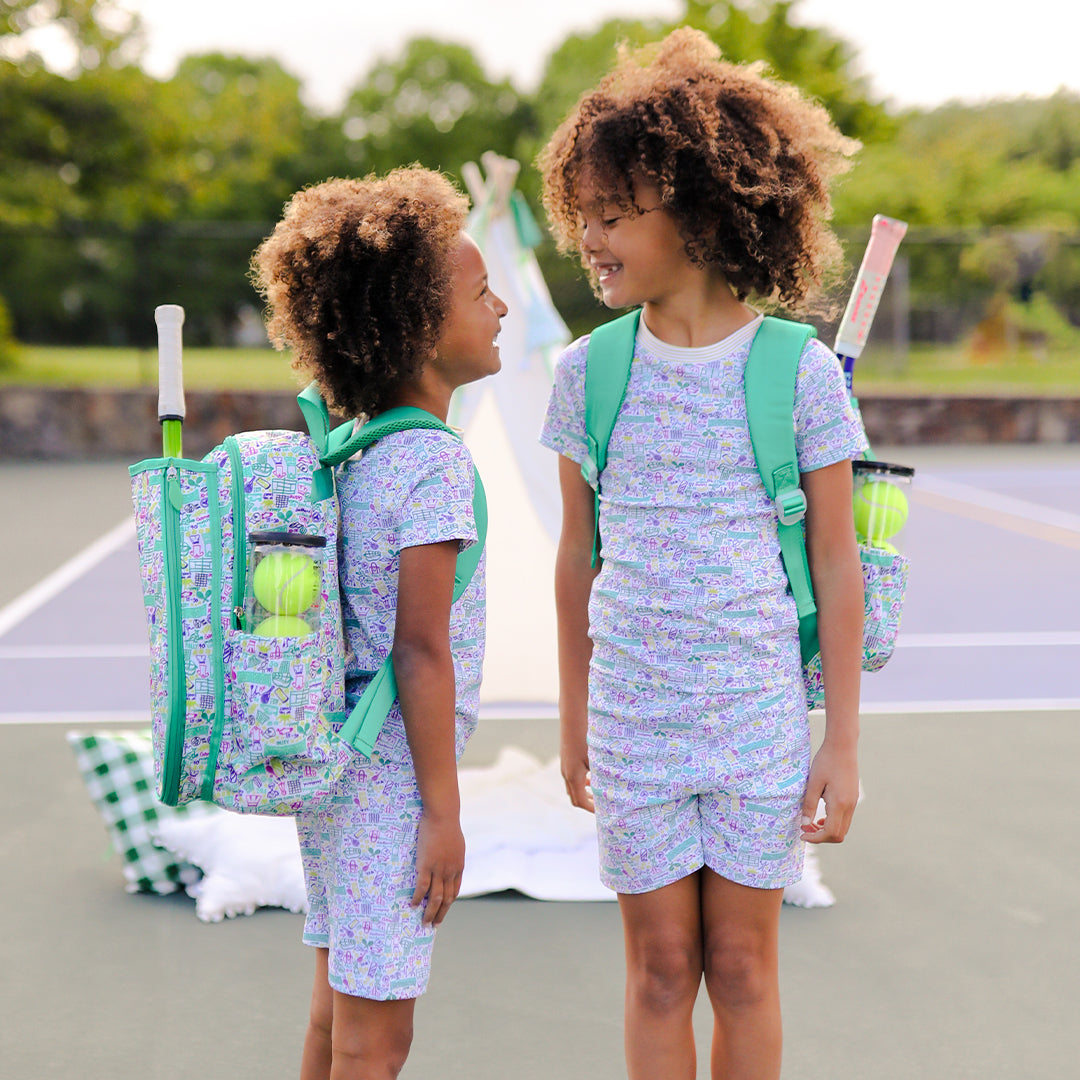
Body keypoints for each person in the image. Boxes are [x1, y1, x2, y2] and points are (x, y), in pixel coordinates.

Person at [538, 28, 866, 1080]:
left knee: (743, 967)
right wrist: (575, 716)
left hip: (758, 718)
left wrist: (843, 742)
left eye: (612, 215)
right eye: (581, 216)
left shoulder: (798, 371)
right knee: (659, 970)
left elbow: (835, 564)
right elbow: (575, 558)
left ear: (696, 207)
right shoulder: (585, 373)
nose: (590, 239)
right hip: (634, 719)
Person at [251, 167, 507, 1080]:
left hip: (340, 772)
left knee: (335, 1013)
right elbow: (420, 651)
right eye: (482, 293)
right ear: (420, 330)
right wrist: (443, 809)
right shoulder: (431, 463)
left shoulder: (357, 453)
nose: (503, 306)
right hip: (392, 782)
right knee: (377, 1036)